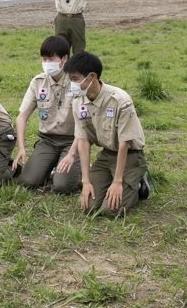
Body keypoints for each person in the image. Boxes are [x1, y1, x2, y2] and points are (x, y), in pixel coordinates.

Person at [63, 52, 150, 217]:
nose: (71, 84)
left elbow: (124, 143)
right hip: (106, 155)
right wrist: (86, 181)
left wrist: (117, 182)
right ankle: (113, 180)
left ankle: (138, 185)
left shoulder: (120, 100)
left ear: (92, 76)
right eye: (70, 79)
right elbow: (83, 141)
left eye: (75, 79)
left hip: (130, 155)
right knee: (88, 206)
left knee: (111, 210)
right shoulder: (78, 102)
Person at [13, 36, 81, 193]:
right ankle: (50, 165)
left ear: (65, 59)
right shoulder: (38, 82)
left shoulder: (76, 83)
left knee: (62, 187)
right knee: (27, 182)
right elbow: (21, 117)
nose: (47, 63)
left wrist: (72, 153)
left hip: (73, 140)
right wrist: (21, 147)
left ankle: (80, 168)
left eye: (51, 58)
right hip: (48, 140)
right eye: (44, 59)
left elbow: (85, 124)